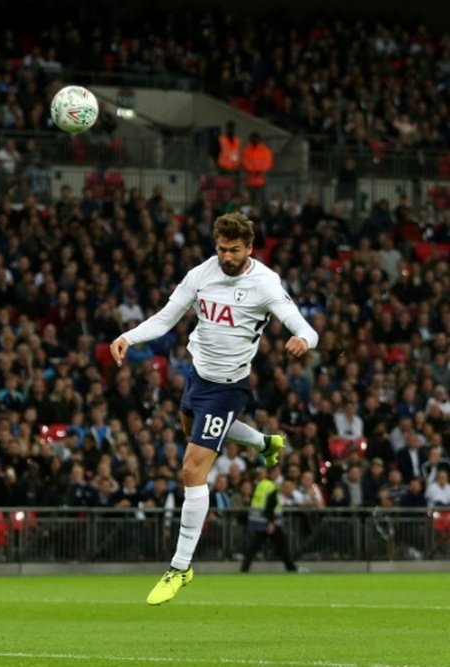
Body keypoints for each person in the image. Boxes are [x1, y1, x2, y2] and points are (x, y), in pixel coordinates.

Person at [110, 212, 318, 605]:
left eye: (234, 250)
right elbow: (167, 318)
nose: (226, 256)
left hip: (228, 387)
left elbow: (305, 327)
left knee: (191, 467)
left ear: (249, 248)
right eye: (221, 249)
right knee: (190, 427)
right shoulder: (201, 274)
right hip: (197, 374)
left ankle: (180, 566)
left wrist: (304, 341)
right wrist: (128, 337)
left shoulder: (265, 283)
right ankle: (264, 443)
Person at [240, 466, 301, 573]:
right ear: (272, 473)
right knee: (282, 545)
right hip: (268, 522)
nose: (278, 475)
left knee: (254, 547)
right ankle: (290, 567)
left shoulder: (260, 485)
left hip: (258, 521)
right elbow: (270, 506)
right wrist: (271, 523)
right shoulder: (271, 486)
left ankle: (244, 568)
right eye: (277, 472)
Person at [241, 132, 274, 207]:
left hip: (261, 180)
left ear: (259, 140)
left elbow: (268, 163)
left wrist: (257, 169)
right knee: (250, 202)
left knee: (261, 201)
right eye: (253, 139)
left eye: (256, 139)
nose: (254, 141)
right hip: (250, 181)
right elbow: (245, 163)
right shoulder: (246, 151)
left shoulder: (265, 151)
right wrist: (256, 169)